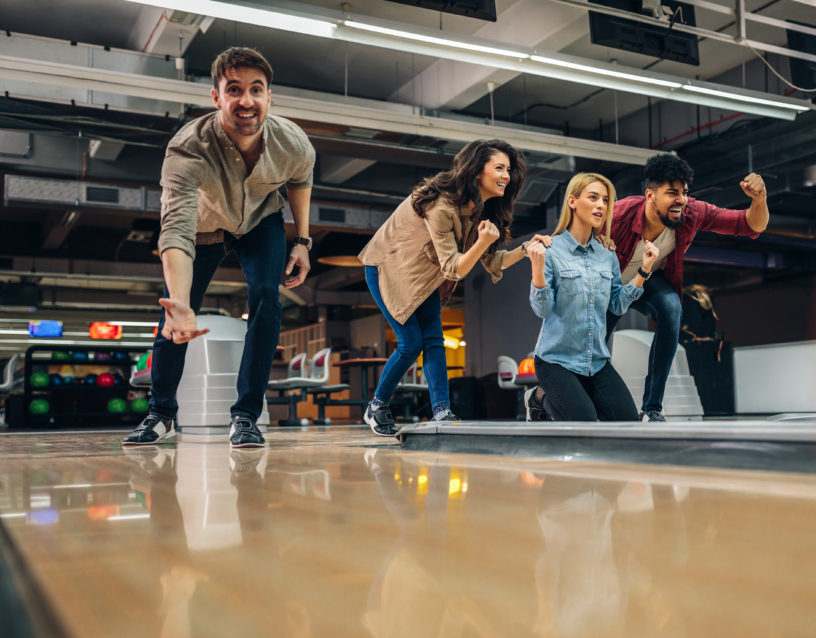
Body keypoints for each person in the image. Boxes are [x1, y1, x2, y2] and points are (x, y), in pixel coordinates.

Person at [123, 47, 316, 448]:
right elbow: (175, 229)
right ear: (216, 97)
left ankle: (245, 416)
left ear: (268, 97)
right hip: (202, 228)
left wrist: (302, 240)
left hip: (260, 219)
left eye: (256, 90)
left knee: (267, 300)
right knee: (176, 315)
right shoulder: (187, 149)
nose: (246, 101)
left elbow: (300, 180)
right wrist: (179, 300)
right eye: (234, 90)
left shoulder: (293, 142)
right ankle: (161, 413)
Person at [358, 139, 548, 436]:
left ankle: (442, 411)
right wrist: (483, 242)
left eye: (508, 170)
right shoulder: (442, 205)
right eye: (499, 168)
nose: (506, 176)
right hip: (386, 268)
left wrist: (526, 247)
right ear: (476, 171)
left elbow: (493, 260)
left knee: (433, 340)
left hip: (425, 277)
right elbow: (453, 268)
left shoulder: (480, 209)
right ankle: (377, 406)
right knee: (411, 343)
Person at [605, 154, 767, 421]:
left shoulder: (691, 212)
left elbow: (750, 224)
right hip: (610, 286)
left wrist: (759, 200)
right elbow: (573, 236)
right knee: (595, 344)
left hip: (648, 279)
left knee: (671, 307)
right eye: (672, 193)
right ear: (649, 195)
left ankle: (652, 408)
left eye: (684, 192)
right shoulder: (618, 216)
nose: (680, 200)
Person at [523, 173, 659, 422]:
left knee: (627, 421)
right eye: (593, 197)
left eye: (605, 200)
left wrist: (644, 271)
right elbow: (542, 310)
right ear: (572, 202)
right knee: (584, 423)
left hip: (595, 362)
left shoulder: (606, 254)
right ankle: (539, 397)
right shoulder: (550, 249)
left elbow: (617, 304)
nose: (601, 205)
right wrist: (537, 269)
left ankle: (575, 394)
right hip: (556, 361)